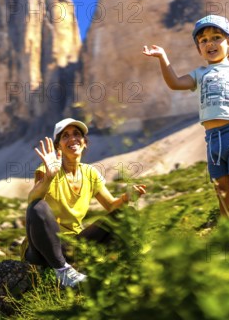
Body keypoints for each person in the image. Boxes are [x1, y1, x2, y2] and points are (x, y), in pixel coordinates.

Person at [142, 14, 229, 246]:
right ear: (198, 48)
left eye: (216, 37)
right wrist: (162, 57)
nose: (210, 43)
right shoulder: (200, 74)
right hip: (213, 138)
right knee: (222, 188)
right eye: (203, 40)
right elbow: (175, 83)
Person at [23, 118, 147, 288]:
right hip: (43, 249)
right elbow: (33, 201)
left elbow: (111, 206)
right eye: (65, 136)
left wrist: (126, 198)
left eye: (77, 134)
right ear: (58, 146)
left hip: (73, 246)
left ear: (84, 143)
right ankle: (63, 271)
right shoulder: (47, 170)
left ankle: (119, 268)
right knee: (38, 206)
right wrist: (49, 177)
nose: (72, 139)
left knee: (126, 214)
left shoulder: (90, 173)